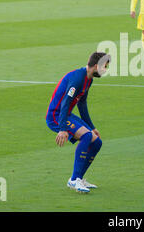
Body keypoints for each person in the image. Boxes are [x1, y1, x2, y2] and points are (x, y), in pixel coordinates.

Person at [45, 52, 110, 193]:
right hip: (56, 116)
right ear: (95, 66)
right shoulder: (78, 79)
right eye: (104, 67)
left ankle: (79, 178)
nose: (105, 70)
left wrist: (92, 127)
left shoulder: (89, 79)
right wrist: (62, 129)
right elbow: (65, 103)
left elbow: (82, 104)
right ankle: (74, 180)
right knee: (86, 137)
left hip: (66, 114)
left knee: (97, 142)